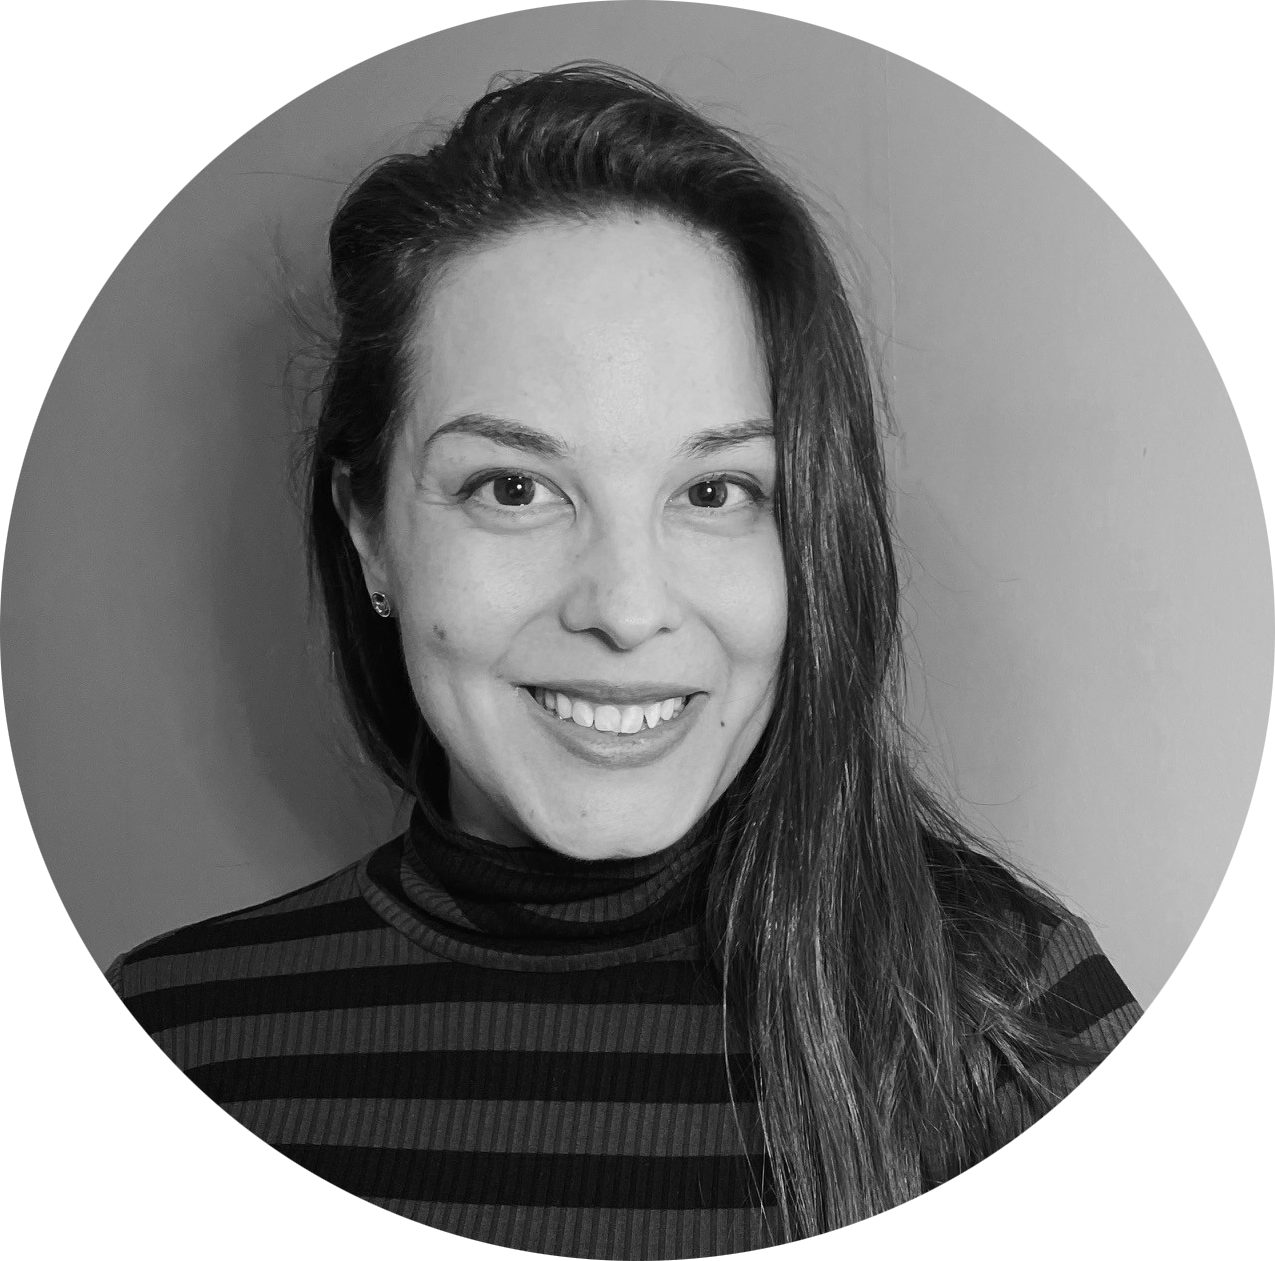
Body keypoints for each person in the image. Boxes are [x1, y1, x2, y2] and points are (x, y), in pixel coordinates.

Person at [108, 64, 1141, 1258]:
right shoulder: (169, 1048)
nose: (628, 609)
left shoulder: (1012, 1017)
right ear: (370, 533)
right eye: (513, 487)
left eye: (715, 490)